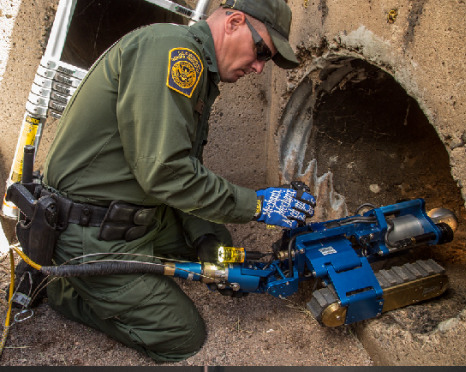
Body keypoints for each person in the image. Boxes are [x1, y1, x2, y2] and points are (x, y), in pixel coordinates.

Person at [41, 0, 316, 362]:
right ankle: (67, 291)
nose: (260, 66)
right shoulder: (174, 54)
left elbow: (186, 169)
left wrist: (204, 239)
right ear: (234, 22)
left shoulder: (199, 67)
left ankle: (119, 277)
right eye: (262, 49)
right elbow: (167, 173)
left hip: (136, 214)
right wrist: (259, 205)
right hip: (88, 231)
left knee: (220, 247)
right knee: (181, 335)